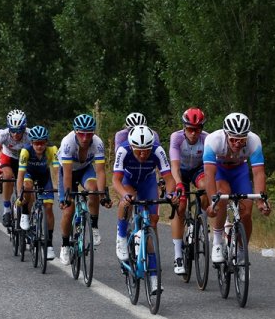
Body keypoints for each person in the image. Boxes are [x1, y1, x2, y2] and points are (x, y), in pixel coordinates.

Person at [112, 126, 178, 294]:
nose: (143, 154)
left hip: (148, 182)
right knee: (127, 202)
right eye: (139, 150)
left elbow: (169, 178)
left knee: (152, 223)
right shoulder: (123, 150)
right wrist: (124, 195)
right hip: (128, 181)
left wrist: (171, 194)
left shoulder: (157, 150)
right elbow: (116, 180)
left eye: (146, 150)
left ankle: (154, 277)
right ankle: (121, 236)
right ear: (131, 146)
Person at [203, 112, 271, 263]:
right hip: (220, 171)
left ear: (247, 137)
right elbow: (209, 174)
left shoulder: (254, 141)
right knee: (222, 195)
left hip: (239, 171)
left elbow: (258, 173)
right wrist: (212, 202)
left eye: (242, 140)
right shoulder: (213, 140)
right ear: (226, 134)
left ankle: (241, 250)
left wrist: (261, 201)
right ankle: (217, 241)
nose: (237, 144)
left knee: (246, 211)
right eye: (233, 139)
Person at [58, 113, 112, 265]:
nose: (85, 138)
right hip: (67, 171)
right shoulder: (68, 142)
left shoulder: (98, 143)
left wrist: (103, 195)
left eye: (89, 134)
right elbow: (67, 174)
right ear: (75, 132)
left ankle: (94, 226)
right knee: (68, 210)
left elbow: (100, 172)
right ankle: (65, 245)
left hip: (84, 169)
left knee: (94, 190)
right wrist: (67, 196)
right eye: (81, 134)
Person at [168, 108, 209, 275]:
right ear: (184, 127)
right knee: (180, 205)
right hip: (181, 172)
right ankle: (178, 255)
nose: (193, 133)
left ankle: (201, 219)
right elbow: (174, 166)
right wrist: (179, 185)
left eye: (197, 129)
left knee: (206, 186)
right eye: (190, 129)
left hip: (198, 170)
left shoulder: (207, 139)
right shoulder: (176, 138)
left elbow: (210, 167)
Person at [16, 125, 60, 260]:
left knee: (48, 207)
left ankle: (49, 244)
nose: (39, 146)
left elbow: (57, 172)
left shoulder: (52, 150)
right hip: (29, 175)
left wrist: (61, 190)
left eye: (42, 143)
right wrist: (19, 195)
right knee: (27, 187)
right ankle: (25, 213)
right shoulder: (25, 151)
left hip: (44, 177)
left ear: (46, 142)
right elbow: (20, 175)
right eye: (36, 143)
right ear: (31, 143)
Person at [0, 109, 31, 227]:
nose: (15, 134)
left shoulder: (30, 134)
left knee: (28, 186)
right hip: (8, 158)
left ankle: (27, 215)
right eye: (13, 131)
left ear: (24, 128)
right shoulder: (3, 134)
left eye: (19, 131)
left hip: (25, 160)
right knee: (7, 176)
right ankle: (6, 210)